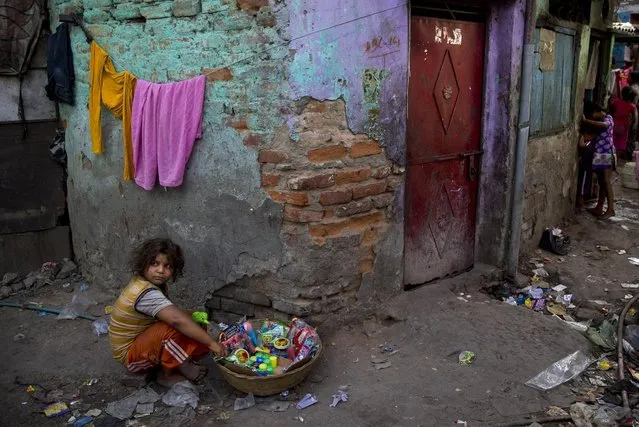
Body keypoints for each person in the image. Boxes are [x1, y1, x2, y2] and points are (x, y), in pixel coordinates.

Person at [108, 238, 226, 386]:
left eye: (167, 266)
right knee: (173, 326)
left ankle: (179, 360)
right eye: (154, 264)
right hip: (131, 357)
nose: (160, 271)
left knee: (193, 318)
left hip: (142, 343)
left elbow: (180, 317)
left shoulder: (146, 284)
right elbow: (176, 320)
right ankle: (167, 374)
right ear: (143, 263)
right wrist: (212, 343)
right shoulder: (145, 292)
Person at [582, 102, 616, 219]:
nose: (592, 117)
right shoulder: (600, 122)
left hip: (606, 153)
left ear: (597, 111)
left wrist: (587, 121)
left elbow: (604, 125)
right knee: (602, 182)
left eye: (592, 115)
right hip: (600, 154)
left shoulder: (608, 118)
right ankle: (599, 207)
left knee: (606, 182)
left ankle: (610, 209)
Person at [609, 86, 638, 160]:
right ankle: (615, 162)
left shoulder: (615, 102)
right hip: (624, 128)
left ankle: (609, 161)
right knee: (620, 146)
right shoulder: (632, 106)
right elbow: (634, 119)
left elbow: (610, 112)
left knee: (612, 143)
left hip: (613, 126)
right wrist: (632, 126)